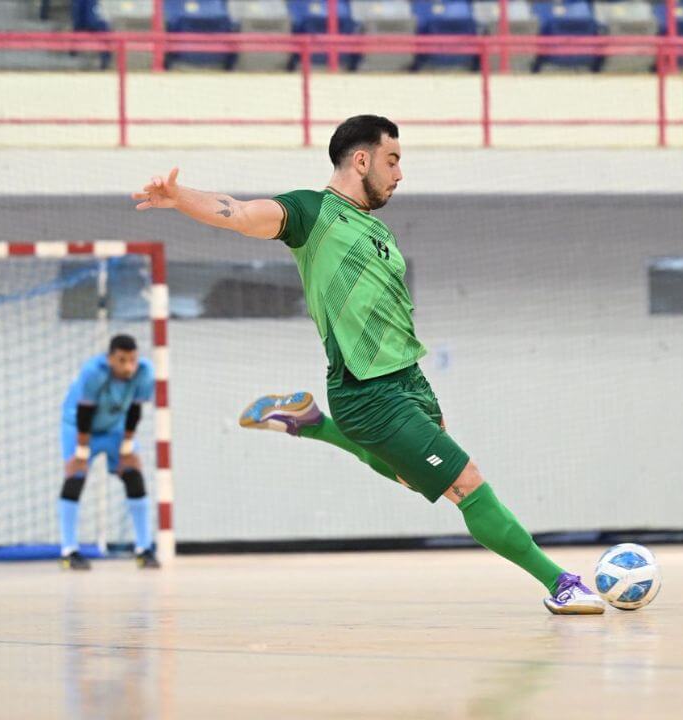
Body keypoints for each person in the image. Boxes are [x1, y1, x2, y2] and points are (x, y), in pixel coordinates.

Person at [132, 115, 603, 614]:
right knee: (466, 483)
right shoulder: (310, 213)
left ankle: (312, 423)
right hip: (367, 389)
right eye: (392, 160)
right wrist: (181, 198)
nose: (399, 175)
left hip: (410, 378)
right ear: (362, 160)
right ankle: (561, 583)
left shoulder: (377, 230)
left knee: (414, 477)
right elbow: (243, 213)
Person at [58, 334, 159, 571]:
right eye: (122, 360)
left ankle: (144, 549)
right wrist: (81, 452)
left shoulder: (145, 373)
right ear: (110, 358)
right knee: (75, 477)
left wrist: (126, 448)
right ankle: (69, 550)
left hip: (115, 427)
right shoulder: (94, 372)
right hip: (79, 427)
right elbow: (84, 413)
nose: (128, 367)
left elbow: (134, 410)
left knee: (134, 474)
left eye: (133, 360)